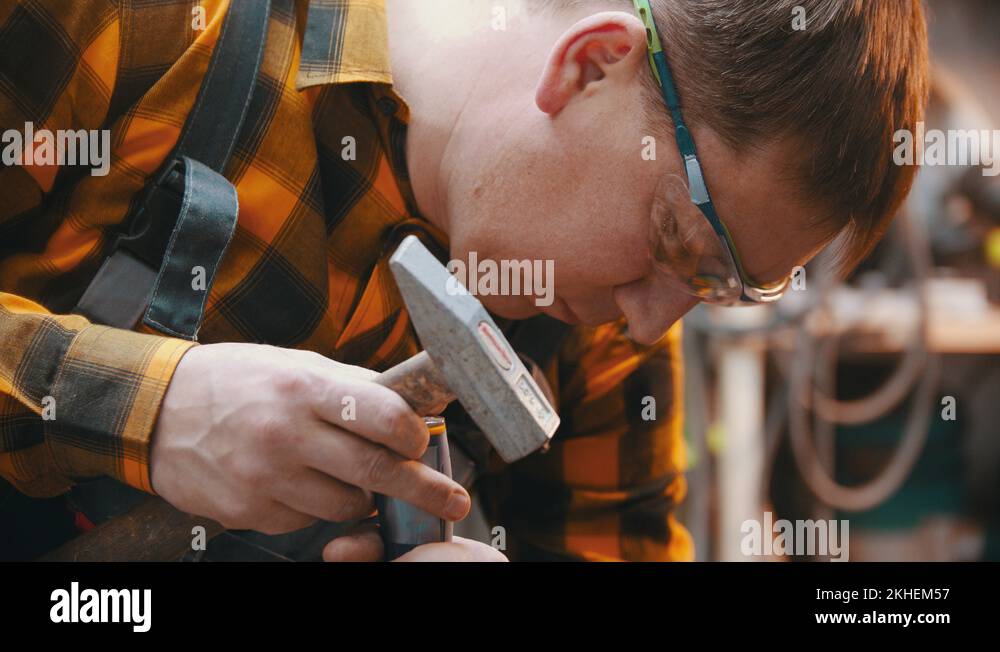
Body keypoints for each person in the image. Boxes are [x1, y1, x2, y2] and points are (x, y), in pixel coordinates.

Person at [0, 0, 928, 561]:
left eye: (722, 288)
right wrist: (147, 410)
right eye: (681, 244)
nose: (651, 326)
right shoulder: (145, 29)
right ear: (593, 63)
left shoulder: (595, 334)